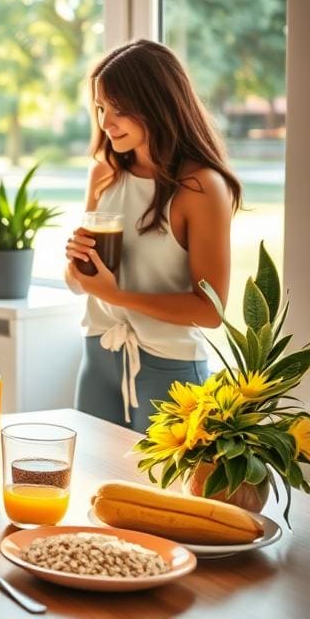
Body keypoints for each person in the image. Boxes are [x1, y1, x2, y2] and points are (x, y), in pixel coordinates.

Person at [65, 39, 242, 434]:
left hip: (171, 369)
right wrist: (76, 264)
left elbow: (209, 312)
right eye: (101, 108)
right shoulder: (104, 174)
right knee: (95, 489)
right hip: (100, 354)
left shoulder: (200, 188)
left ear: (158, 106)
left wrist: (116, 295)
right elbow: (78, 285)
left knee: (162, 495)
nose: (106, 123)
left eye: (120, 111)